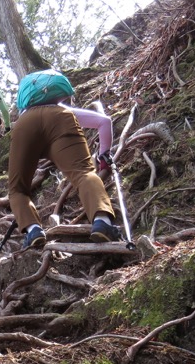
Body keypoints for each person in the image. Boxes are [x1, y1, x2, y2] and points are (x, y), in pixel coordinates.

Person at [9, 69, 121, 249]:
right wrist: (104, 154)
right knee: (84, 174)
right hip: (60, 122)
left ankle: (33, 230)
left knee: (17, 189)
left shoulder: (24, 116)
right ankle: (102, 222)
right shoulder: (63, 110)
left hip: (25, 127)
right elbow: (104, 122)